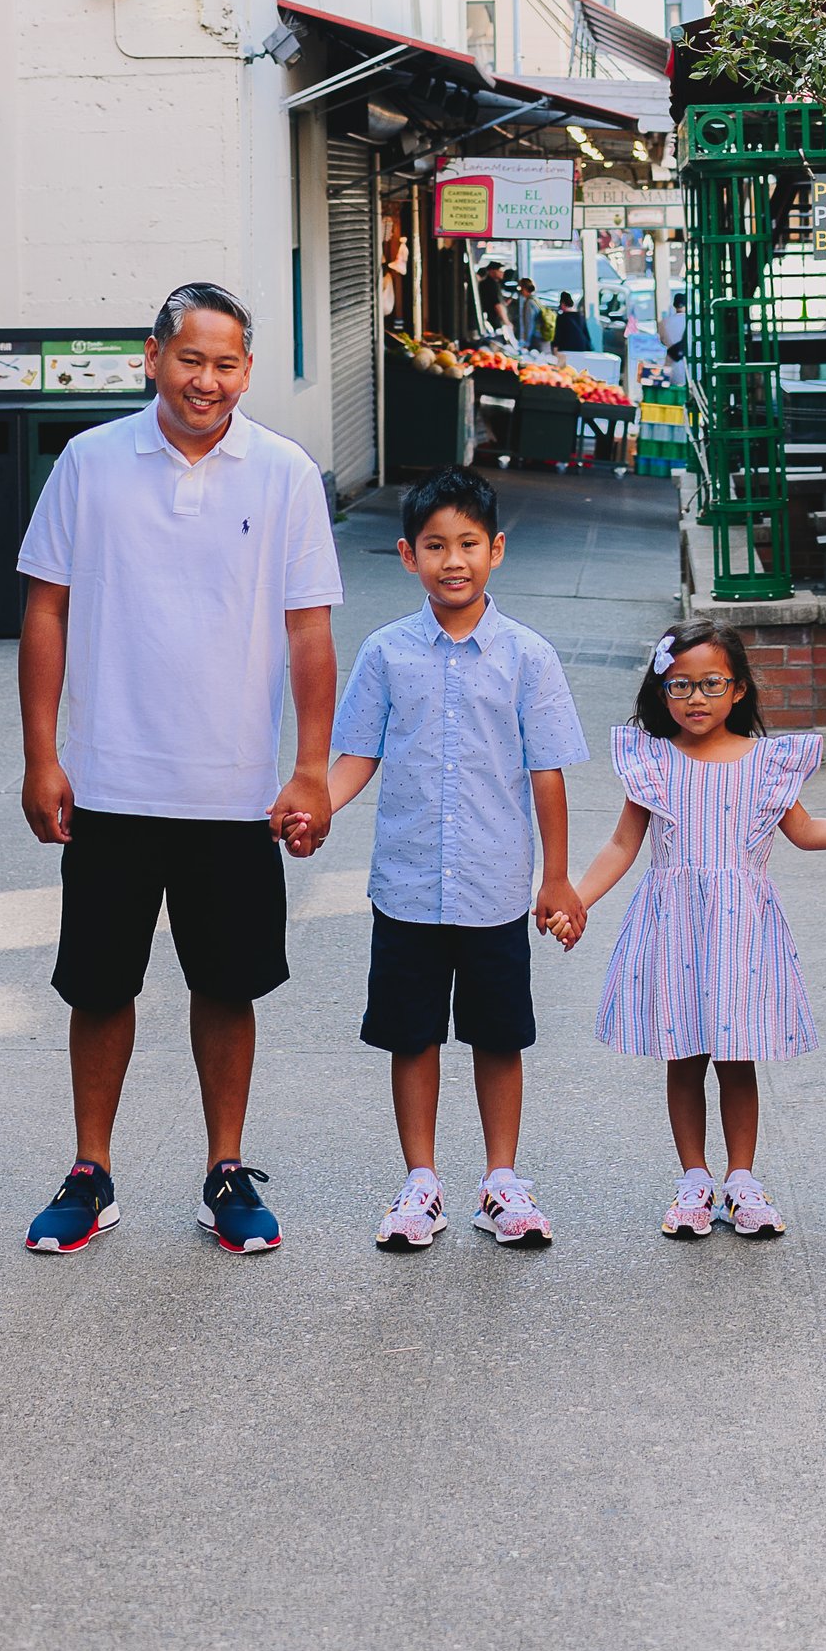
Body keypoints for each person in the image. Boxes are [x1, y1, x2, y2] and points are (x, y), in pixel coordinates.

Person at [16, 281, 341, 1261]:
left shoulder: (283, 473)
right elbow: (46, 611)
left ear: (247, 367)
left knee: (228, 984)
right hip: (111, 780)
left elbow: (310, 629)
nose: (208, 380)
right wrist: (42, 754)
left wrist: (311, 767)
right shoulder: (90, 463)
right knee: (98, 985)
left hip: (234, 788)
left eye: (227, 362)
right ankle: (89, 1170)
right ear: (150, 357)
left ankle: (226, 1168)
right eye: (190, 358)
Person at [326, 466, 588, 1252]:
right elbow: (355, 755)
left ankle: (501, 1182)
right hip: (406, 885)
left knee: (498, 1034)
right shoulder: (384, 652)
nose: (453, 560)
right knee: (413, 1034)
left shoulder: (527, 656)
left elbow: (547, 771)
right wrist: (315, 804)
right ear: (408, 556)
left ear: (496, 549)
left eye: (468, 543)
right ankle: (422, 1181)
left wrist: (557, 876)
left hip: (495, 886)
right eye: (435, 545)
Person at [567, 622, 826, 1239]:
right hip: (674, 925)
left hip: (741, 932)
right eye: (680, 685)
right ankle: (694, 1179)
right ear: (661, 691)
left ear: (738, 690)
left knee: (737, 1059)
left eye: (711, 683)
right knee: (684, 1055)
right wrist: (576, 899)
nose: (696, 697)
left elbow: (806, 831)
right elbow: (623, 845)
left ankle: (742, 1180)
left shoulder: (767, 764)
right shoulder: (651, 762)